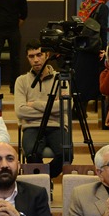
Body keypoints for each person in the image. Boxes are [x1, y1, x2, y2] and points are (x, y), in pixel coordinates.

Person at [15, 42, 68, 178]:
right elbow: (20, 111)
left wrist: (34, 104)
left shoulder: (60, 79)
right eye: (31, 56)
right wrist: (53, 107)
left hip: (57, 126)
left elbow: (66, 106)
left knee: (66, 153)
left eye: (39, 55)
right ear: (27, 58)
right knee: (32, 154)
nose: (36, 60)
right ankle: (43, 181)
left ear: (47, 55)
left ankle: (44, 178)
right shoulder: (21, 81)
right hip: (32, 127)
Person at [73, 0, 109, 104]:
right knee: (90, 81)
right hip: (94, 49)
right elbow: (103, 29)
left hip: (82, 48)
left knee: (80, 80)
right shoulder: (102, 7)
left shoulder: (85, 7)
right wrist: (104, 48)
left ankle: (79, 107)